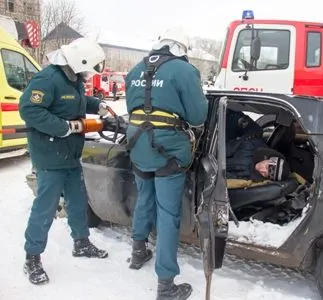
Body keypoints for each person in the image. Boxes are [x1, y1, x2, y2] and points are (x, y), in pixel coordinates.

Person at [124, 27, 208, 300]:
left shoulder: (136, 69)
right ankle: (166, 285)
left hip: (137, 144)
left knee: (144, 197)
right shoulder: (185, 71)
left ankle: (138, 252)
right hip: (168, 148)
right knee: (168, 214)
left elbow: (131, 107)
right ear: (182, 49)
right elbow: (197, 116)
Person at [18, 38, 110, 285]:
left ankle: (81, 243)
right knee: (45, 209)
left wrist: (96, 105)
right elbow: (29, 109)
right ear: (78, 61)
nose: (89, 74)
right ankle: (32, 258)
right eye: (88, 67)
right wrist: (63, 127)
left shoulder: (74, 79)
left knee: (78, 201)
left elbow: (73, 102)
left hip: (70, 154)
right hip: (50, 155)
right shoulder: (48, 79)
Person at [226, 110, 290, 182]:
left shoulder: (248, 179)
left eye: (265, 174)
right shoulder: (253, 140)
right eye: (266, 167)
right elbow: (235, 118)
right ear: (269, 158)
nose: (261, 170)